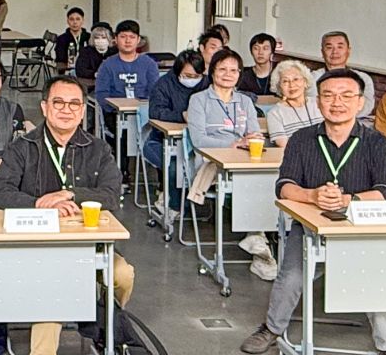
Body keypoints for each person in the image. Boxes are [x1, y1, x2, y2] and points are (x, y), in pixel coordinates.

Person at [240, 69, 386, 355]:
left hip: (361, 227)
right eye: (328, 96)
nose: (336, 103)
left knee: (375, 275)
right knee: (291, 275)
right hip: (311, 225)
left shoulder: (376, 142)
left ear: (360, 103)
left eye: (345, 96)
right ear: (318, 102)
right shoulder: (302, 139)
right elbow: (284, 186)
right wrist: (312, 195)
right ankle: (272, 329)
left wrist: (348, 200)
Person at [0, 76, 133, 355]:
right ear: (44, 107)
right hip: (39, 252)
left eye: (73, 104)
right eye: (58, 103)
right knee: (54, 288)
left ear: (83, 111)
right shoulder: (24, 147)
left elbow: (112, 194)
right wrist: (41, 203)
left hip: (87, 247)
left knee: (123, 274)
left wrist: (70, 195)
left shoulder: (97, 149)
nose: (66, 110)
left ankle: (100, 325)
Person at [142, 50, 206, 220]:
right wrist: (181, 115)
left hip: (195, 143)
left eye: (196, 76)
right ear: (178, 72)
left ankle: (188, 203)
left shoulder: (206, 83)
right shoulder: (163, 85)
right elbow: (155, 112)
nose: (192, 79)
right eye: (188, 75)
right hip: (160, 140)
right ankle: (174, 206)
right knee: (175, 166)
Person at [186, 49, 264, 164]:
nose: (228, 74)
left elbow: (254, 134)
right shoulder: (198, 100)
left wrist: (254, 139)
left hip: (242, 159)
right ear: (212, 72)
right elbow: (199, 140)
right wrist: (233, 144)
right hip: (211, 160)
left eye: (233, 70)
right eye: (222, 69)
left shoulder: (245, 101)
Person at [313, 31, 376, 121]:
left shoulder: (364, 78)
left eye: (340, 47)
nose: (335, 52)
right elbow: (313, 108)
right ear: (322, 52)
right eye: (329, 47)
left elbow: (366, 108)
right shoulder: (312, 78)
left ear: (348, 51)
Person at [95, 19, 161, 100]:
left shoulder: (149, 64)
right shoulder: (107, 65)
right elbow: (101, 93)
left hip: (144, 110)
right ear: (115, 39)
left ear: (138, 40)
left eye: (132, 37)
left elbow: (154, 92)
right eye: (123, 37)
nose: (128, 41)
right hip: (115, 111)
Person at [265, 60, 322, 147]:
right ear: (279, 87)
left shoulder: (319, 103)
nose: (291, 85)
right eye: (285, 81)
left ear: (305, 82)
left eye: (296, 79)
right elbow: (284, 145)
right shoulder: (274, 114)